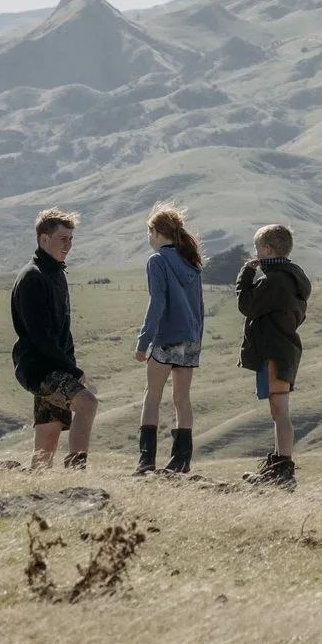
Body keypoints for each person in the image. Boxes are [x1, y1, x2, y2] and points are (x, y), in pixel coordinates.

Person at [10, 208, 97, 469]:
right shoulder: (32, 278)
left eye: (71, 239)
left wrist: (70, 365)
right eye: (63, 239)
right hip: (40, 368)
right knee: (87, 404)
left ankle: (38, 485)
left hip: (54, 365)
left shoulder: (55, 274)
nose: (68, 245)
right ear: (43, 239)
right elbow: (41, 336)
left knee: (49, 431)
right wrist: (72, 370)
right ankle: (76, 472)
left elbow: (61, 330)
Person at [131, 201, 206, 475]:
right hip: (190, 340)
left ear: (156, 232)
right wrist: (197, 338)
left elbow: (157, 304)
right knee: (182, 400)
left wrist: (143, 341)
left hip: (166, 339)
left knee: (152, 396)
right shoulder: (192, 262)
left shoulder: (157, 261)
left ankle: (146, 460)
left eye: (149, 234)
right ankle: (181, 460)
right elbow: (199, 307)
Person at [235, 222, 310, 488]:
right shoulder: (293, 278)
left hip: (274, 351)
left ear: (266, 249)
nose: (255, 254)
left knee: (279, 410)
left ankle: (283, 471)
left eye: (257, 248)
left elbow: (247, 305)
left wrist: (245, 274)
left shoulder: (276, 281)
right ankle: (278, 466)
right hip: (284, 349)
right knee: (279, 410)